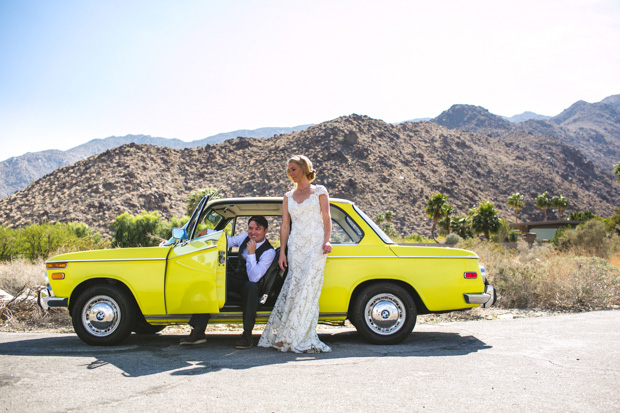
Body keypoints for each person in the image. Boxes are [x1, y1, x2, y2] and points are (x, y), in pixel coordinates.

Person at [258, 155, 333, 353]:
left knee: (308, 289)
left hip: (316, 246)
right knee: (295, 288)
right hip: (296, 247)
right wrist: (282, 252)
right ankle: (287, 334)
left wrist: (327, 240)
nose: (290, 173)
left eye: (293, 169)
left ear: (303, 168)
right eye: (288, 170)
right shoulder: (288, 196)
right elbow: (285, 225)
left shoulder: (319, 191)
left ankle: (293, 336)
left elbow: (326, 217)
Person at [179, 215, 276, 349]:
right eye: (250, 228)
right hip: (237, 278)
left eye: (257, 229)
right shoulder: (244, 238)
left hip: (251, 285)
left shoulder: (269, 252)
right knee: (210, 281)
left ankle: (247, 335)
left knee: (251, 287)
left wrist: (251, 253)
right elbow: (228, 241)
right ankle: (198, 330)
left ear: (265, 231)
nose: (253, 232)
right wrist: (208, 232)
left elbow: (254, 277)